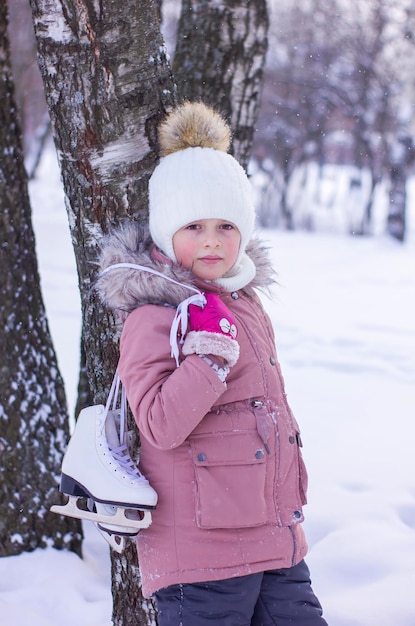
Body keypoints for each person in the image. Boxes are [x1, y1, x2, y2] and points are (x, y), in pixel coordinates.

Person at [96, 101, 328, 625]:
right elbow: (159, 425)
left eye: (226, 226)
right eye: (194, 225)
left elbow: (268, 413)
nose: (211, 241)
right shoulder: (155, 313)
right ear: (165, 230)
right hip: (200, 557)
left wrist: (287, 517)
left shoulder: (244, 302)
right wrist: (207, 359)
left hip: (276, 543)